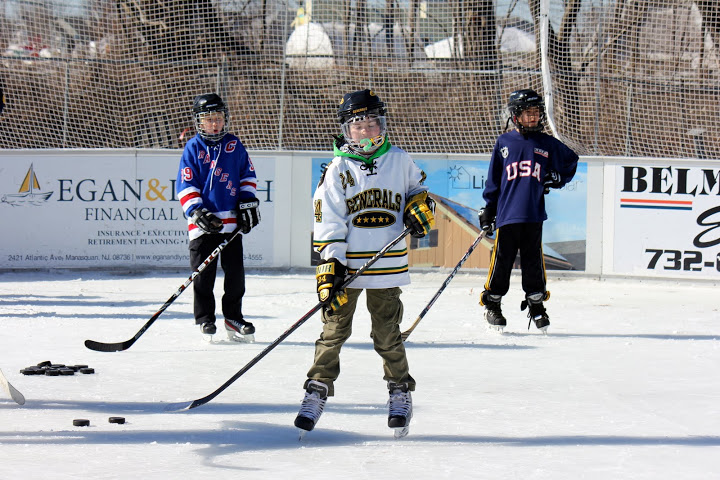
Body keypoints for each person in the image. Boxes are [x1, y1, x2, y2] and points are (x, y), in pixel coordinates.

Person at [294, 89, 435, 437]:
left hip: (387, 268)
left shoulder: (399, 160)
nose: (367, 131)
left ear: (382, 125)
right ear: (347, 130)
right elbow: (328, 219)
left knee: (387, 335)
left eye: (372, 123)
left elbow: (418, 191)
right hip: (348, 270)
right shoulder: (337, 169)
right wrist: (331, 265)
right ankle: (317, 389)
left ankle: (399, 390)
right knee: (333, 331)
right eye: (359, 126)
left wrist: (419, 206)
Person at [478, 89, 578, 333]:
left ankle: (536, 305)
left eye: (536, 112)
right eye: (527, 113)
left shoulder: (546, 143)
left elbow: (571, 160)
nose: (533, 117)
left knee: (533, 261)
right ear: (515, 116)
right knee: (502, 260)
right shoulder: (504, 142)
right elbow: (494, 179)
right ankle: (493, 304)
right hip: (507, 214)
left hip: (533, 214)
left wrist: (558, 178)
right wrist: (489, 208)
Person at [176, 93, 261, 341]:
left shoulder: (234, 145)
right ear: (199, 122)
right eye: (209, 119)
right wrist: (196, 211)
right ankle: (205, 319)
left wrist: (247, 201)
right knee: (203, 276)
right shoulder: (193, 148)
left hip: (231, 223)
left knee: (236, 276)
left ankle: (233, 317)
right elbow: (186, 183)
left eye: (219, 118)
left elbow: (247, 176)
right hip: (203, 226)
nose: (215, 124)